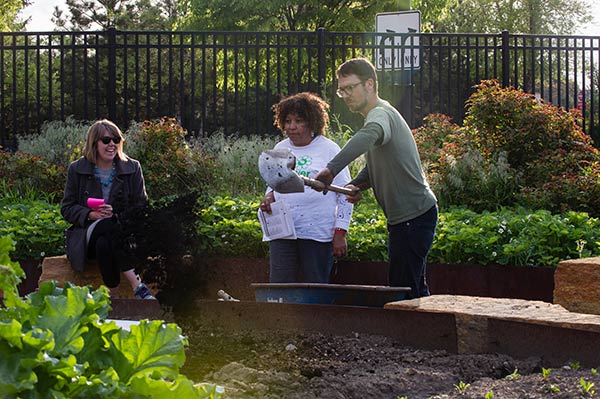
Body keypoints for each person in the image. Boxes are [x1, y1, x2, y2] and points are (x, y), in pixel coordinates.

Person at [314, 58, 438, 299]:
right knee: (414, 291)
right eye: (342, 90)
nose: (346, 95)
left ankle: (408, 336)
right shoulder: (379, 115)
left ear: (369, 84)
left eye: (351, 87)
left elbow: (367, 136)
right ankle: (425, 334)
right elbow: (374, 169)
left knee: (404, 294)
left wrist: (330, 170)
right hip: (410, 219)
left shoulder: (380, 115)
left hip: (413, 219)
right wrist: (355, 185)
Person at [259, 92, 353, 283]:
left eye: (298, 121)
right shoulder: (281, 147)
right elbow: (273, 183)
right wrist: (269, 198)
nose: (291, 127)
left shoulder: (329, 149)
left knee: (316, 285)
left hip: (317, 234)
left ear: (312, 122)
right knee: (280, 286)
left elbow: (346, 193)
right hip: (283, 231)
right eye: (287, 121)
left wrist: (340, 232)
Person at [61, 119, 155, 299]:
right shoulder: (77, 169)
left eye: (116, 140)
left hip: (122, 236)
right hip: (88, 234)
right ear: (94, 143)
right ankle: (138, 286)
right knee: (107, 226)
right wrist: (91, 214)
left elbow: (141, 208)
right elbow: (67, 208)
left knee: (105, 243)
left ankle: (113, 296)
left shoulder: (132, 167)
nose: (112, 144)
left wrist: (118, 214)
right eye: (106, 140)